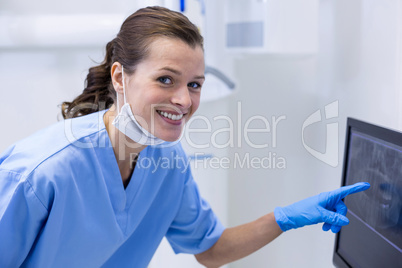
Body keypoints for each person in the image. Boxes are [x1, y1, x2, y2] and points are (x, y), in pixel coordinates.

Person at [0, 6, 369, 268]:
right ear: (119, 77)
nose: (184, 100)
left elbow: (210, 249)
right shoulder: (39, 173)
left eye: (194, 85)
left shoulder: (168, 163)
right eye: (166, 79)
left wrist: (285, 218)